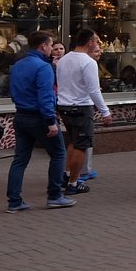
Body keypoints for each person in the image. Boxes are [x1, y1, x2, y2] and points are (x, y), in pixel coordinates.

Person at [6, 31, 74, 212]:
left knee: (19, 160)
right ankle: (54, 195)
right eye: (51, 45)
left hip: (20, 116)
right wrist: (51, 120)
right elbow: (45, 96)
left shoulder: (18, 65)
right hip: (39, 118)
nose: (52, 49)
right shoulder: (43, 67)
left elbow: (12, 91)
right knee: (58, 153)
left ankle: (14, 201)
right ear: (43, 46)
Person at [55, 29, 112, 196]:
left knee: (73, 142)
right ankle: (73, 183)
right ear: (90, 43)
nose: (98, 44)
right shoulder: (88, 62)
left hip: (64, 105)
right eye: (96, 41)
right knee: (81, 146)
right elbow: (94, 90)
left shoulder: (63, 60)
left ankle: (66, 176)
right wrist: (105, 112)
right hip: (81, 107)